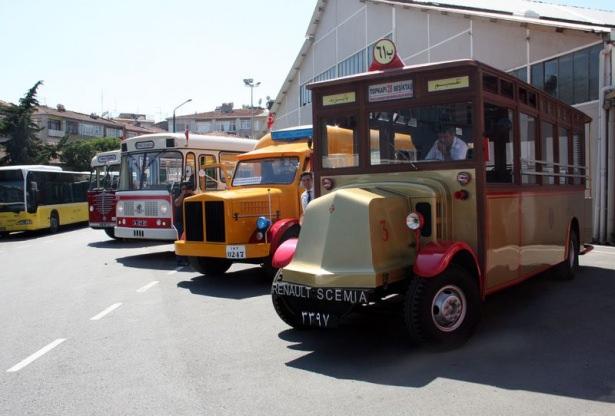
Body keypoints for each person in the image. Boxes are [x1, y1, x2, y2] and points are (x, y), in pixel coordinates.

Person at [174, 182, 194, 266]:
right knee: (181, 241)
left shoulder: (191, 194)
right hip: (180, 222)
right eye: (183, 189)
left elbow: (199, 198)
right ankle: (180, 260)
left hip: (190, 222)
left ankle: (189, 259)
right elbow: (177, 203)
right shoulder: (179, 195)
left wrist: (191, 192)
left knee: (190, 241)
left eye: (186, 188)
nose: (185, 190)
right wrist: (183, 193)